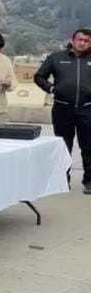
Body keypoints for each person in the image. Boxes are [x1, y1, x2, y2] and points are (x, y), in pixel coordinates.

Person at [34, 28, 91, 193]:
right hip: (62, 108)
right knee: (63, 145)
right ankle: (61, 179)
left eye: (87, 41)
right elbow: (39, 76)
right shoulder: (56, 57)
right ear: (72, 40)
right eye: (80, 39)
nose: (83, 43)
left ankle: (89, 181)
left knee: (88, 146)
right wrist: (50, 88)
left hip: (87, 109)